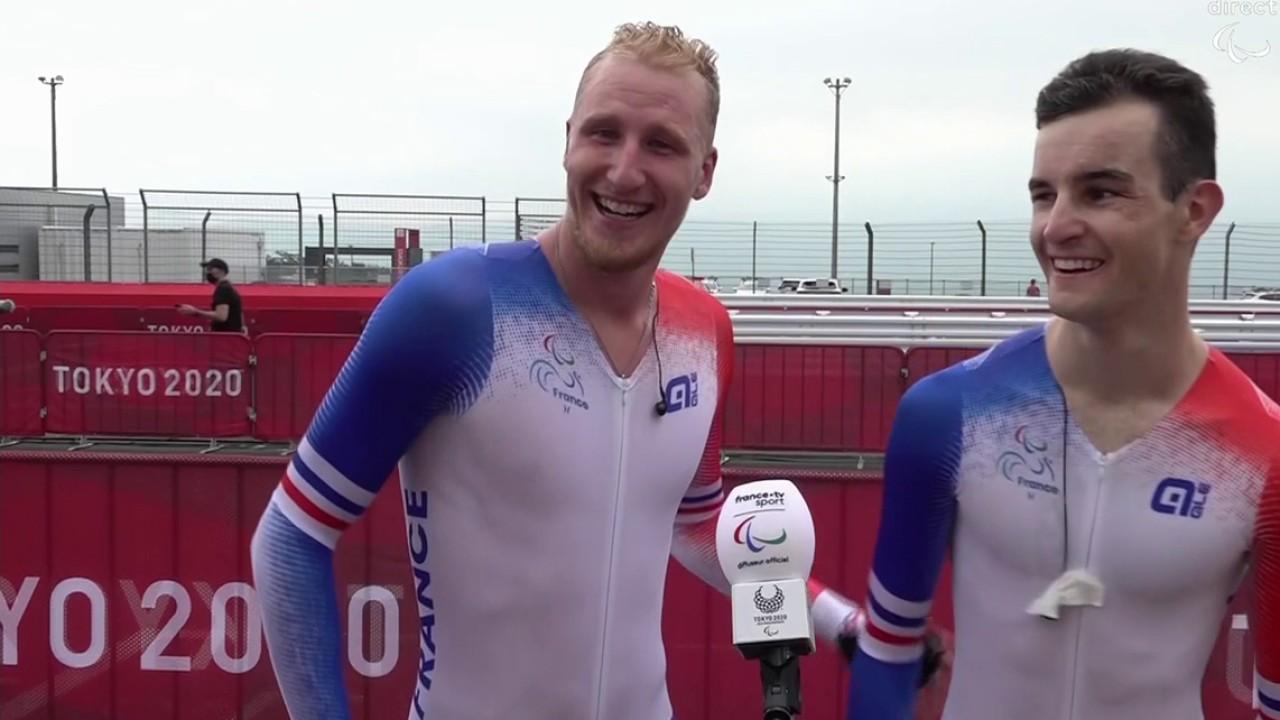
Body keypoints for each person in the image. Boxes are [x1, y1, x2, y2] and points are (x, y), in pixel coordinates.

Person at [250, 22, 868, 720]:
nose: (625, 170)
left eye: (661, 144)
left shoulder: (706, 331)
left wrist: (841, 622)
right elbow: (291, 537)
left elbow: (694, 527)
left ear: (704, 172)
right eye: (604, 133)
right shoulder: (452, 309)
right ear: (568, 140)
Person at [845, 48, 1280, 719]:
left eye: (1100, 191)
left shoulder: (1265, 453)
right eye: (1044, 194)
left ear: (1194, 210)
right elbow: (888, 648)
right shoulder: (950, 414)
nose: (1055, 227)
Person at [177, 258, 243, 332]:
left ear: (222, 271)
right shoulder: (230, 288)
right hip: (230, 337)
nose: (208, 271)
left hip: (225, 338)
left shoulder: (223, 289)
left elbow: (221, 316)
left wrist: (195, 311)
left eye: (211, 268)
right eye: (207, 269)